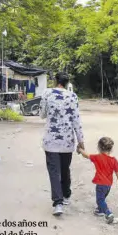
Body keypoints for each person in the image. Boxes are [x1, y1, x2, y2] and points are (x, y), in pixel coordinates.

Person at [40, 72, 84, 216]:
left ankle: (58, 203)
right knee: (65, 169)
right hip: (67, 141)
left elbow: (42, 115)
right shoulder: (73, 96)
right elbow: (76, 120)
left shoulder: (46, 93)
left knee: (54, 171)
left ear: (56, 81)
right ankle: (66, 195)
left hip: (51, 141)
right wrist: (81, 141)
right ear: (66, 83)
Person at [77, 137, 118, 224]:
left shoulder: (98, 157)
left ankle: (108, 214)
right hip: (108, 185)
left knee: (100, 200)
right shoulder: (114, 160)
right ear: (111, 149)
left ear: (99, 147)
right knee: (102, 198)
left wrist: (80, 149)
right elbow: (117, 172)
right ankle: (100, 210)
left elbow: (86, 155)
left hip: (101, 184)